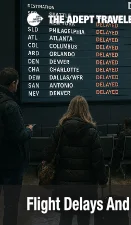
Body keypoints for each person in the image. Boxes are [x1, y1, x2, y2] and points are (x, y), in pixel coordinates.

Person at [44, 95, 108, 225]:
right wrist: (102, 180)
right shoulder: (92, 132)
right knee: (84, 219)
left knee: (65, 218)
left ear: (70, 109)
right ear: (86, 110)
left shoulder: (59, 130)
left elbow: (48, 155)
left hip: (64, 184)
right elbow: (98, 160)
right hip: (87, 186)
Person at [0, 68, 33, 225]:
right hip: (11, 163)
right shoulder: (10, 106)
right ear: (13, 83)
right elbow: (18, 136)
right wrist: (29, 130)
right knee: (11, 204)